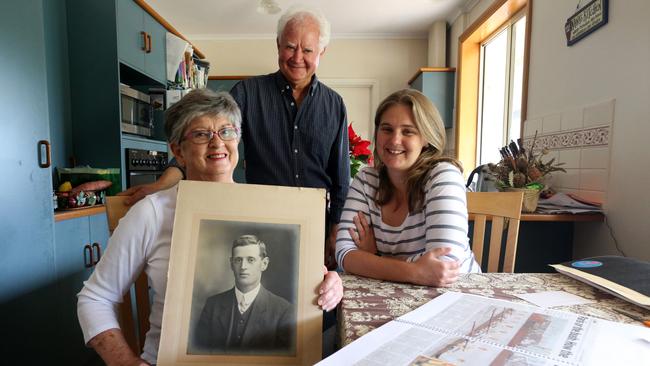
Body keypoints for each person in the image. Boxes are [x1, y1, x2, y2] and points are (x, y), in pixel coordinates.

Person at [77, 89, 343, 366]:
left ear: (237, 140)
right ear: (178, 151)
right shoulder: (152, 212)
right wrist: (126, 362)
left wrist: (328, 285)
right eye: (201, 134)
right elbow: (95, 298)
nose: (217, 144)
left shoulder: (270, 210)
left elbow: (308, 292)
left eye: (226, 131)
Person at [119, 5, 349, 269]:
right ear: (277, 45)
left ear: (321, 52)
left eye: (307, 50)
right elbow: (204, 139)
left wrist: (335, 232)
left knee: (316, 300)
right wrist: (162, 184)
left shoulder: (335, 105)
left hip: (315, 225)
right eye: (289, 47)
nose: (297, 57)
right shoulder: (249, 92)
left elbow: (340, 177)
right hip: (260, 222)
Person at [335, 89, 480, 287]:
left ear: (426, 138)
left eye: (408, 131)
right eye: (387, 129)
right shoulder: (366, 180)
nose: (394, 140)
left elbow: (443, 266)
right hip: (394, 296)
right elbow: (344, 254)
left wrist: (375, 257)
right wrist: (416, 271)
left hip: (457, 296)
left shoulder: (443, 176)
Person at [194, 234, 294, 354]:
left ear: (264, 264)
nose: (243, 267)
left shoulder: (283, 311)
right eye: (238, 260)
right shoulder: (212, 305)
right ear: (231, 264)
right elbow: (198, 353)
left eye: (250, 260)